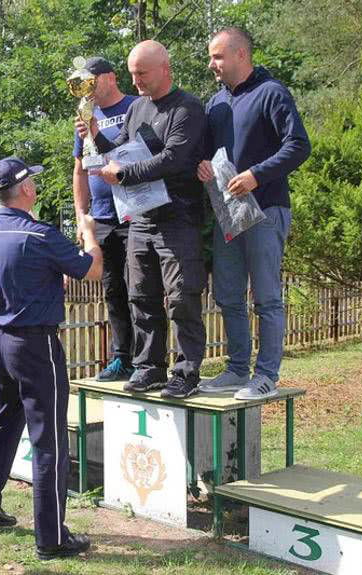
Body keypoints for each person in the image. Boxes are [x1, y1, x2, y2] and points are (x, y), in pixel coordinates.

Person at [0, 156, 102, 560]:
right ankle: (52, 537)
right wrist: (90, 235)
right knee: (50, 440)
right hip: (35, 345)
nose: (36, 188)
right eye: (34, 184)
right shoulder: (40, 235)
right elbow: (90, 271)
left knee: (4, 422)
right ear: (25, 190)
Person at [76, 40, 208, 399]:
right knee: (140, 295)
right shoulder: (137, 110)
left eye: (142, 74)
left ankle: (186, 371)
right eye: (133, 75)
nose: (136, 83)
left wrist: (124, 175)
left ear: (165, 69)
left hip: (178, 218)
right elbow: (119, 148)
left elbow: (173, 159)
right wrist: (95, 134)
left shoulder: (187, 108)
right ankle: (149, 367)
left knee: (181, 297)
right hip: (141, 219)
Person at [197, 27, 311, 400]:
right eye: (211, 57)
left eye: (217, 56)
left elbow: (299, 146)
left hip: (266, 209)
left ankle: (265, 376)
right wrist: (204, 169)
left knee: (266, 298)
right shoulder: (215, 103)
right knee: (228, 294)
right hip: (228, 214)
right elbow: (214, 155)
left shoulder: (271, 93)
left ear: (241, 55)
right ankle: (236, 369)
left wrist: (256, 175)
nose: (211, 63)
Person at [72, 56, 138, 382]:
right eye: (81, 83)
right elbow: (80, 168)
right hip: (102, 218)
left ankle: (148, 360)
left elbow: (137, 155)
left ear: (110, 77)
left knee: (141, 289)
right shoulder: (86, 116)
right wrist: (81, 215)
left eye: (91, 80)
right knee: (113, 290)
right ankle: (121, 358)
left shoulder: (135, 107)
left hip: (135, 212)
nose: (87, 88)